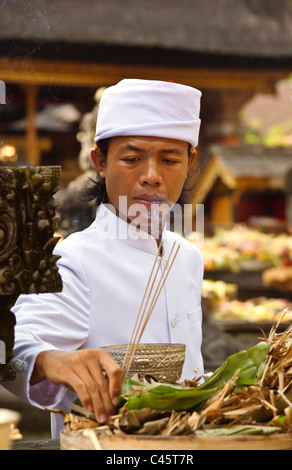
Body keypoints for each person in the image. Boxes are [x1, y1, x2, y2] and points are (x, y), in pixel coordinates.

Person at [4, 79, 204, 439]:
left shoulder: (186, 256)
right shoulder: (73, 259)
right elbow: (16, 343)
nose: (152, 177)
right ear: (100, 160)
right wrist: (50, 360)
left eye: (170, 159)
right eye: (131, 159)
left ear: (190, 162)